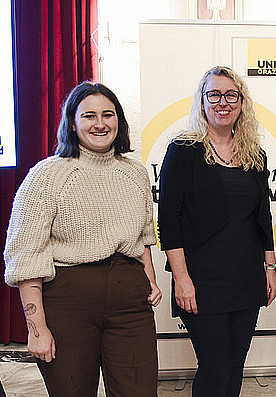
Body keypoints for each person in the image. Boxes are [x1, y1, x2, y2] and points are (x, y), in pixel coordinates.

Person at [3, 81, 162, 397]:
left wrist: (150, 279)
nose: (100, 123)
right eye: (89, 116)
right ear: (72, 124)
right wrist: (37, 330)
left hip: (130, 305)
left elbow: (143, 238)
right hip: (66, 306)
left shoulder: (135, 173)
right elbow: (26, 257)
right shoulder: (46, 176)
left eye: (108, 114)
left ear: (119, 120)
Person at [158, 66, 276, 397]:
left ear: (241, 103)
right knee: (215, 367)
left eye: (231, 95)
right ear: (202, 101)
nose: (222, 102)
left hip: (246, 277)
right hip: (201, 279)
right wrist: (181, 279)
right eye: (214, 94)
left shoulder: (255, 154)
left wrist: (270, 268)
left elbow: (262, 217)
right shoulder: (183, 151)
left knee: (235, 366)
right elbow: (169, 219)